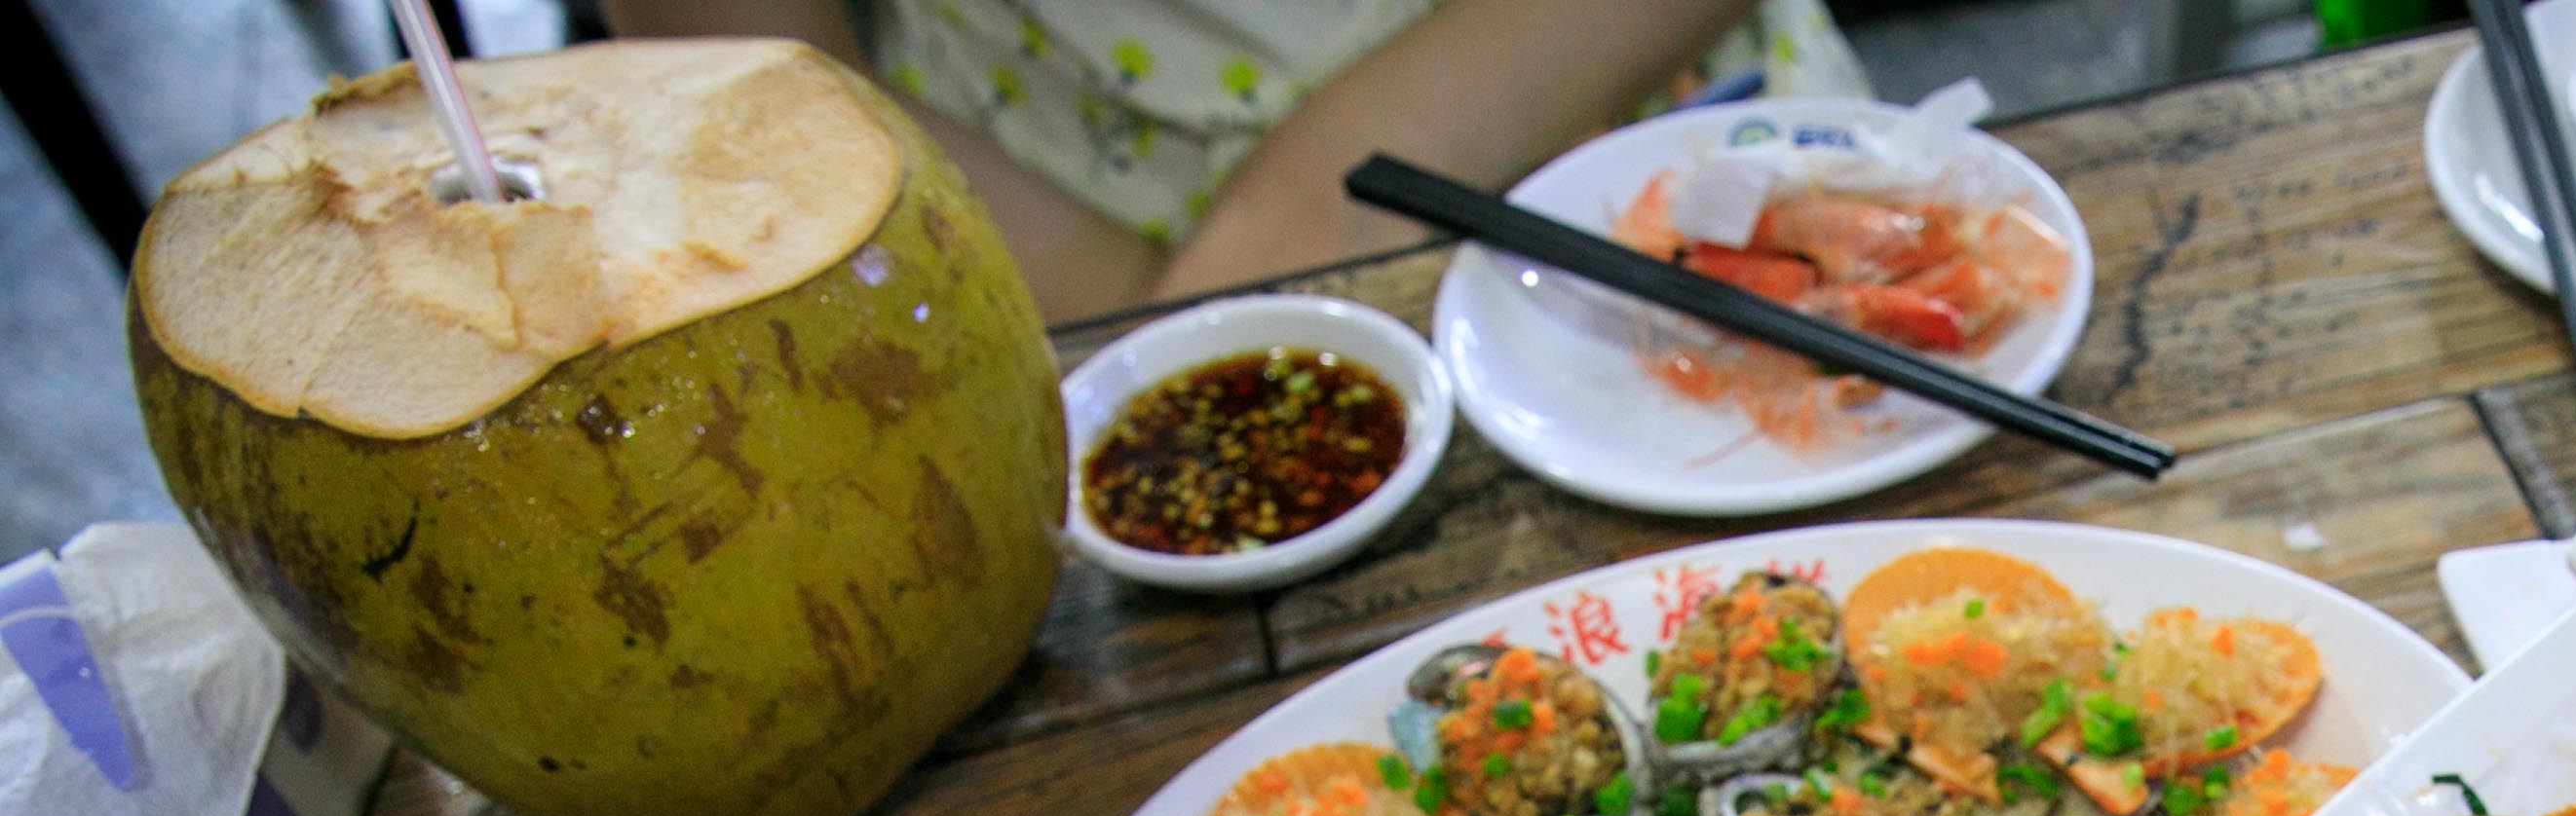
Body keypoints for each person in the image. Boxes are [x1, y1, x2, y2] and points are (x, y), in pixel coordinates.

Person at [606, 0, 1866, 321]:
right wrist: (1143, 332)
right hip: (1013, 237)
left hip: (1662, 144)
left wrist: (1299, 220)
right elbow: (734, 60)